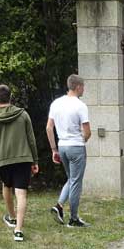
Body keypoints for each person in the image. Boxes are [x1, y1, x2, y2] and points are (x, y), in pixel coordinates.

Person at [0, 84, 39, 243]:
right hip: (23, 158)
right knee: (21, 193)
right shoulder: (23, 114)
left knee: (6, 186)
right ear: (11, 97)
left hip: (2, 160)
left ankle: (12, 217)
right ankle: (18, 230)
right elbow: (31, 139)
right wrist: (35, 160)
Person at [46, 74, 90, 227]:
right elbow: (87, 131)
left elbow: (49, 128)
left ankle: (59, 206)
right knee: (76, 182)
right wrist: (83, 139)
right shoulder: (80, 105)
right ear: (78, 87)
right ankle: (73, 218)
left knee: (71, 179)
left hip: (62, 146)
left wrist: (54, 149)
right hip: (76, 147)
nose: (83, 90)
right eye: (83, 87)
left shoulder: (56, 103)